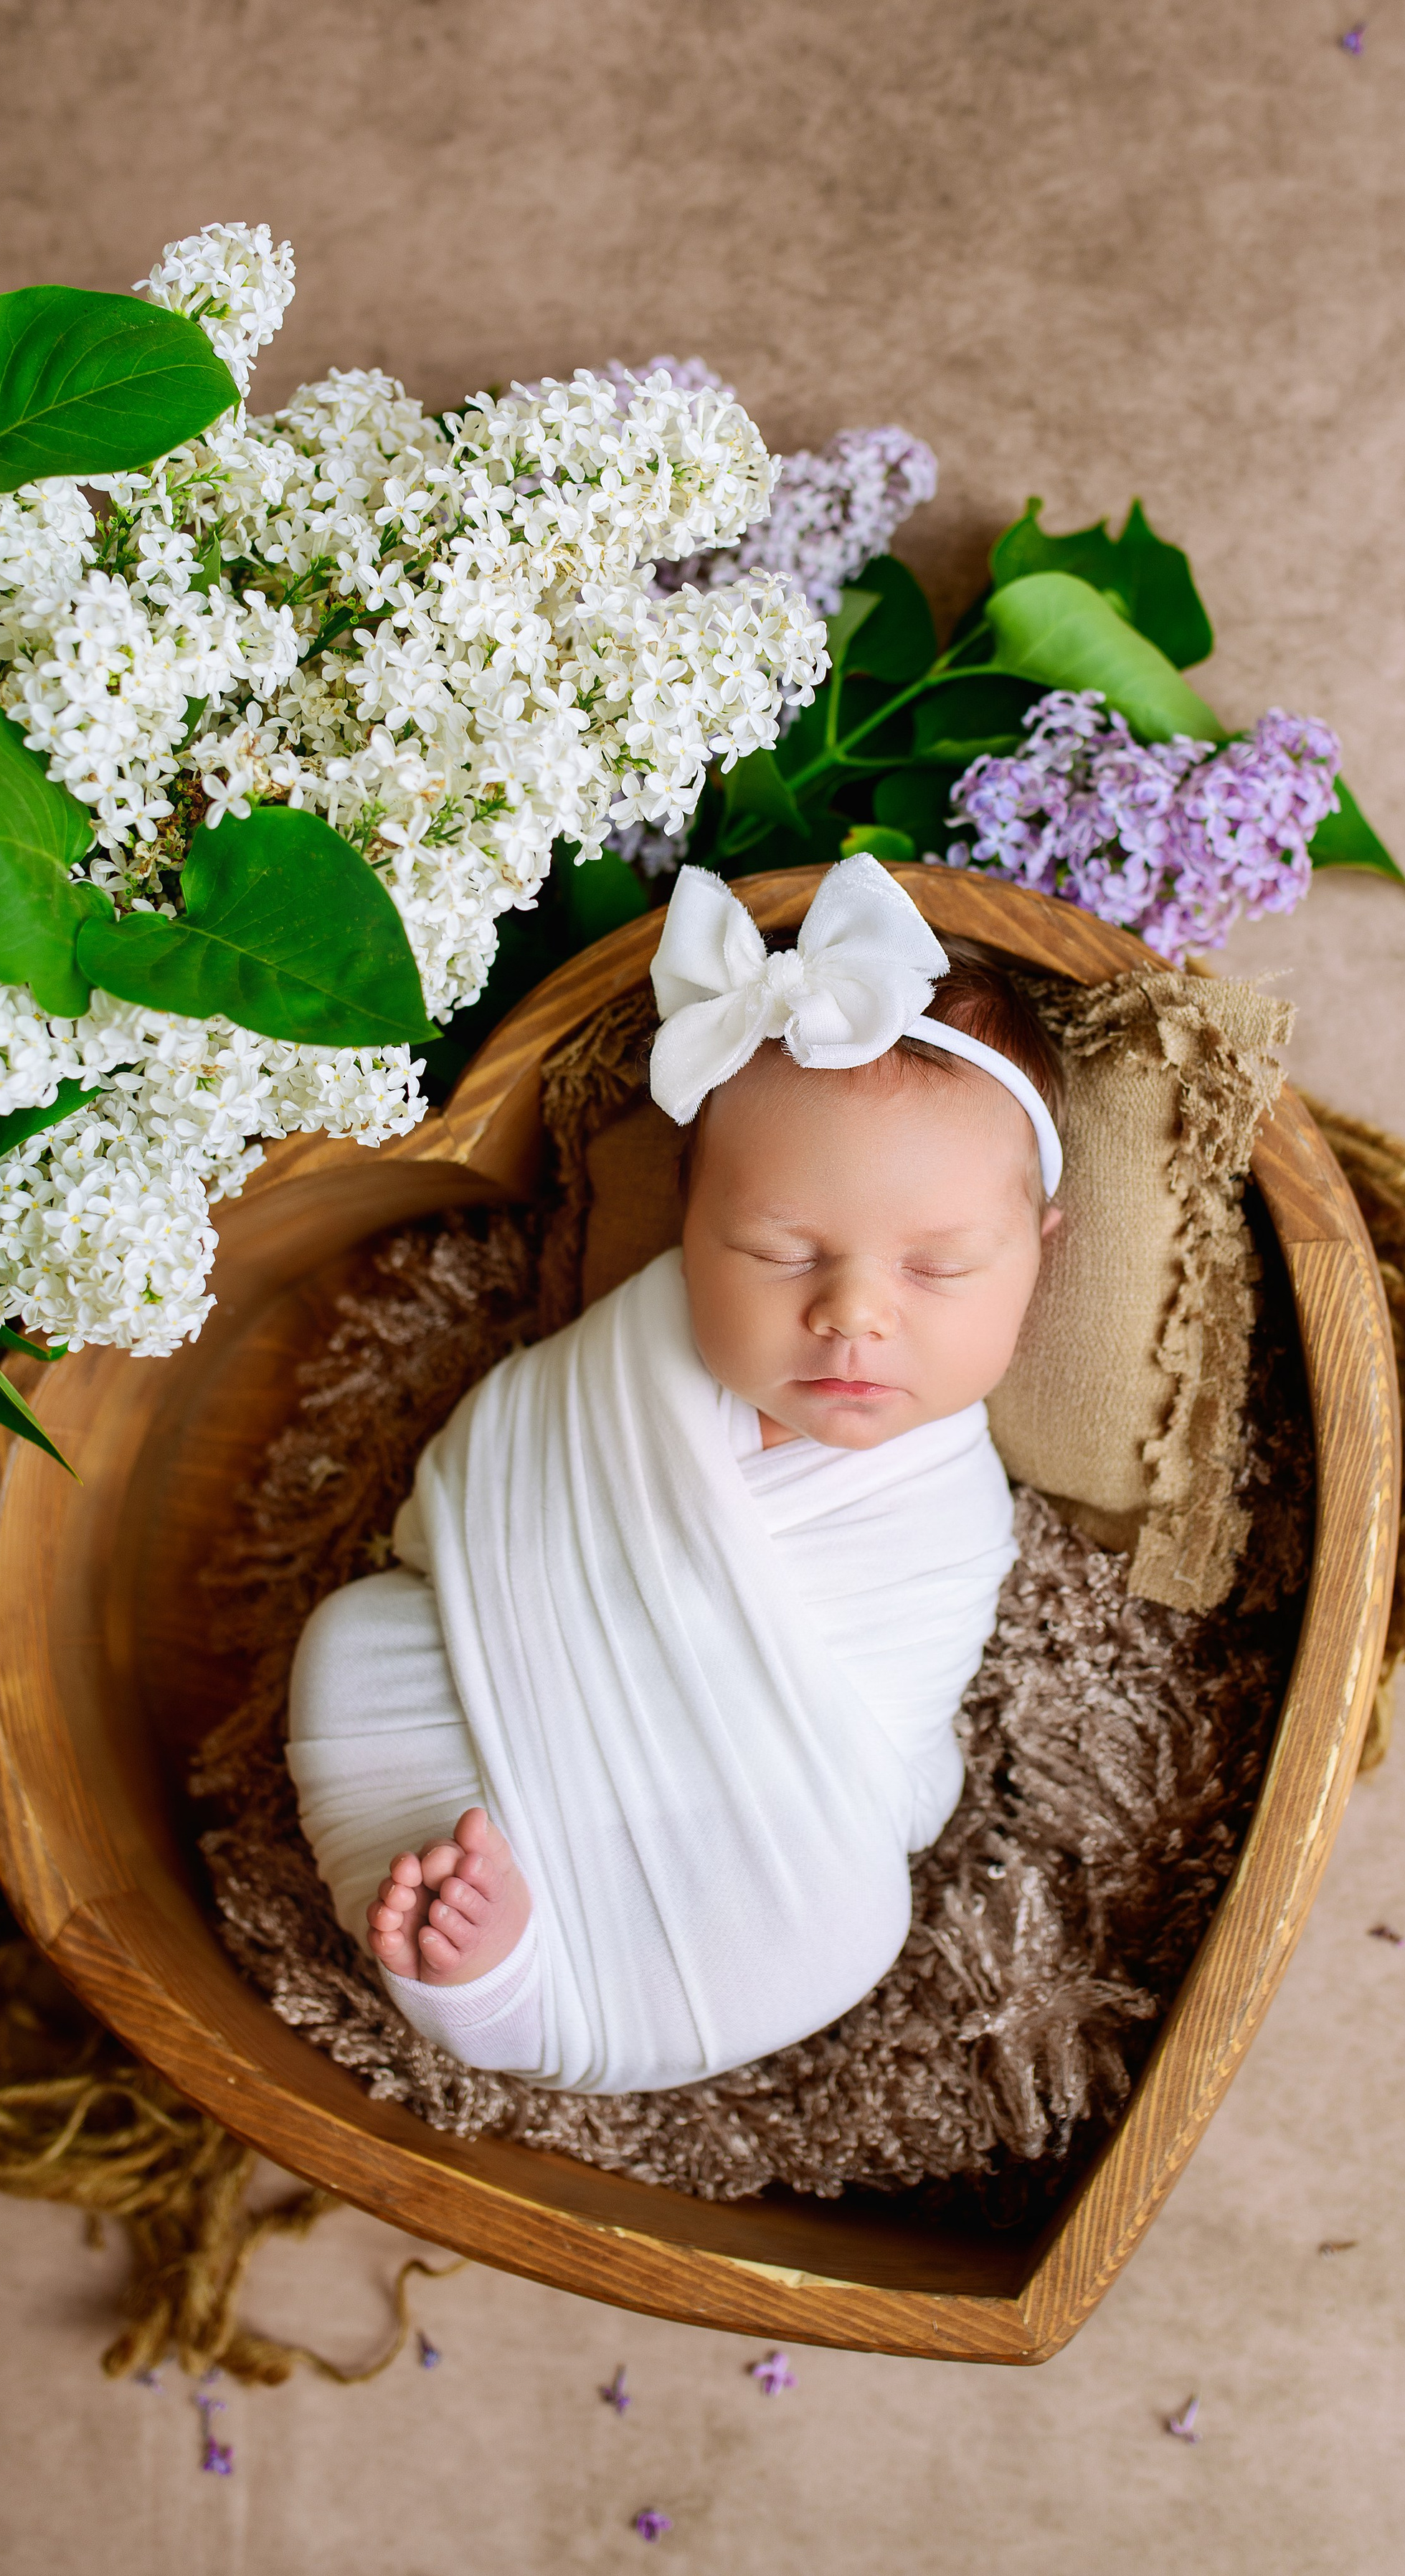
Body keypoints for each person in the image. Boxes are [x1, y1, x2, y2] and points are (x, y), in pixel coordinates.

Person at [287, 856, 1066, 2093]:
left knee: (845, 1914)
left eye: (939, 1269)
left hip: (755, 1831)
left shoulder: (954, 1515)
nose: (853, 1314)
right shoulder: (639, 1348)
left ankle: (499, 1983)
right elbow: (480, 1478)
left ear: (1040, 1251)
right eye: (775, 1250)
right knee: (352, 1647)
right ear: (688, 1235)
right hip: (500, 1700)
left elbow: (893, 1774)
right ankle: (485, 1946)